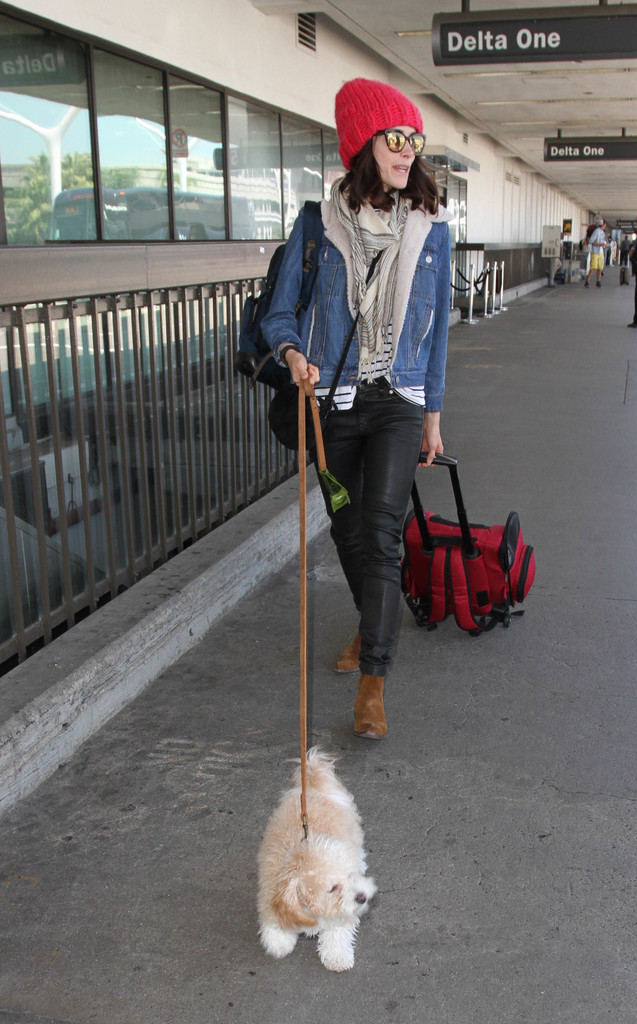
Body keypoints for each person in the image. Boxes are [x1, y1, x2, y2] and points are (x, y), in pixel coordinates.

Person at [262, 77, 452, 741]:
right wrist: (291, 356)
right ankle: (374, 618)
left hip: (396, 400)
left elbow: (437, 335)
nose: (408, 152)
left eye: (414, 140)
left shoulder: (430, 230)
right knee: (347, 531)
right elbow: (279, 312)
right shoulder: (316, 223)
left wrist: (431, 415)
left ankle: (373, 678)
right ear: (362, 142)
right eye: (396, 138)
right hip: (331, 402)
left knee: (378, 529)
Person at [584, 216, 606, 287]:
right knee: (593, 267)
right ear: (603, 225)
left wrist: (603, 244)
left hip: (600, 251)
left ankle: (598, 281)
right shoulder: (597, 231)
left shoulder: (602, 232)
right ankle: (587, 281)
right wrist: (600, 244)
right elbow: (591, 241)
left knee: (600, 267)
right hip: (595, 251)